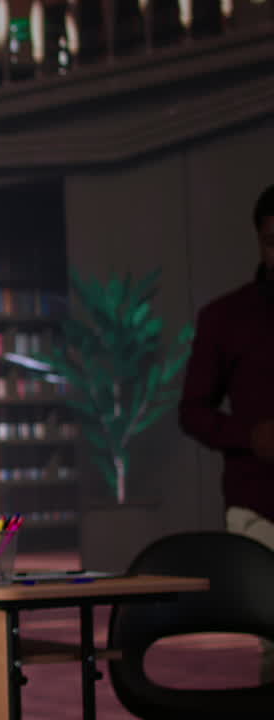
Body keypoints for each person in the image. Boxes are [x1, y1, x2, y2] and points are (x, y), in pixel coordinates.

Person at [179, 183, 274, 681]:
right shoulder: (225, 317)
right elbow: (192, 411)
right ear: (259, 241)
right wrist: (250, 435)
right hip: (260, 504)